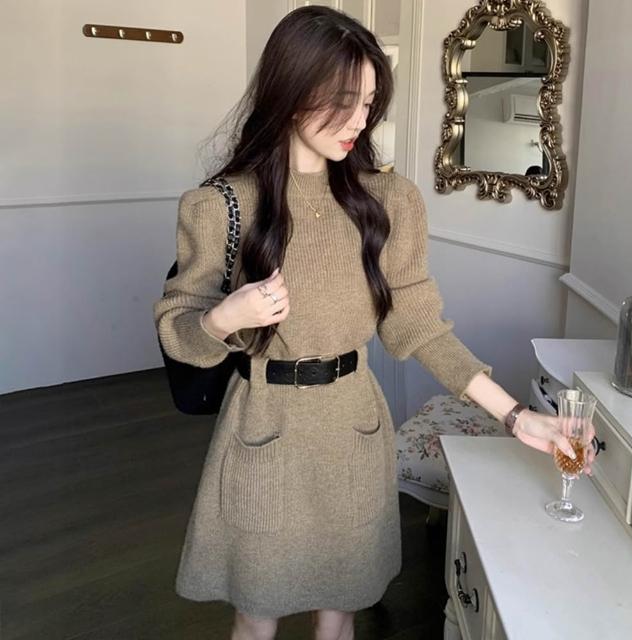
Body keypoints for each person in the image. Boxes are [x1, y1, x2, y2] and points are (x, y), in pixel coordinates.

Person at [153, 6, 594, 640]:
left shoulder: (389, 202)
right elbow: (179, 331)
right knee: (257, 610)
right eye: (343, 101)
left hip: (354, 428)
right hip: (262, 428)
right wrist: (225, 317)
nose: (360, 121)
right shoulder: (220, 206)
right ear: (289, 91)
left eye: (368, 103)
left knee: (341, 607)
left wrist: (516, 416)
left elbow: (419, 326)